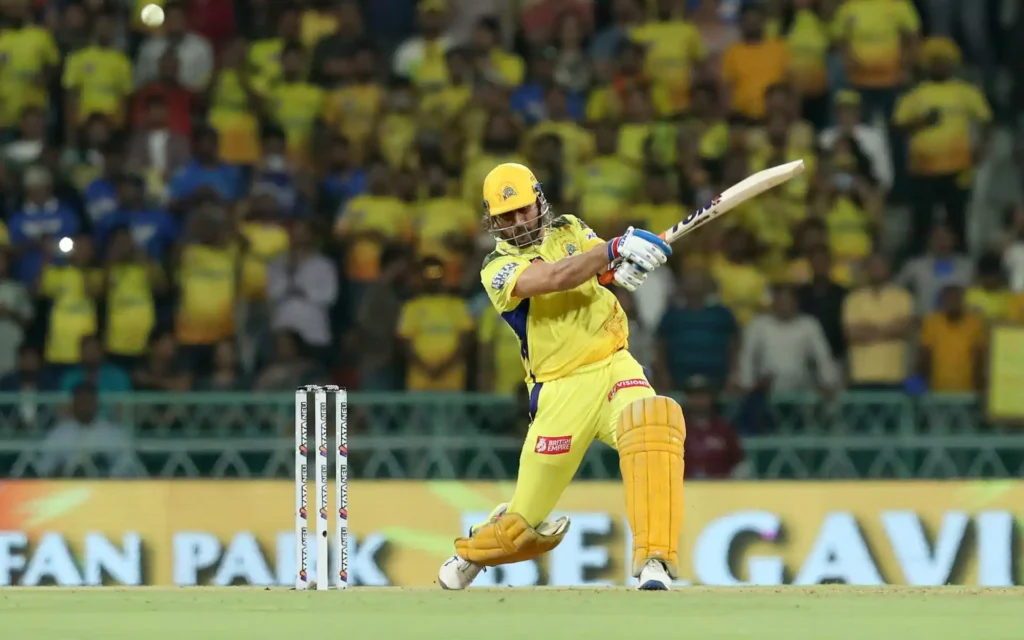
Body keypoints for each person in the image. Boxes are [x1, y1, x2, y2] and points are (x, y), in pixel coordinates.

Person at [437, 163, 682, 592]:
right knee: (519, 530)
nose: (518, 222)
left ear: (539, 202)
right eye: (507, 216)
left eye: (524, 210)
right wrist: (613, 249)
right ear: (493, 221)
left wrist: (626, 265)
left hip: (613, 365)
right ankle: (472, 551)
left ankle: (654, 561)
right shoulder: (495, 266)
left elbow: (599, 271)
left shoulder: (569, 228)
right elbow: (553, 277)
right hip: (560, 392)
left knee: (653, 422)